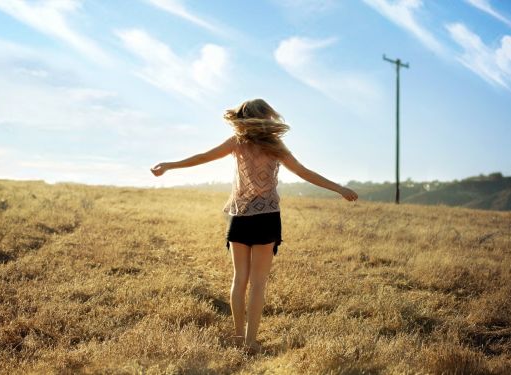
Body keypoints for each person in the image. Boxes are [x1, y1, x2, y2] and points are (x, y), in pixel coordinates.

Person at [150, 98, 358, 355]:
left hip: (240, 216)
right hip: (267, 217)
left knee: (240, 279)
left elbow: (203, 157)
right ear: (266, 117)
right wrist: (339, 188)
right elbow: (304, 172)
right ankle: (249, 341)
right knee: (258, 283)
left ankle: (238, 336)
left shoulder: (237, 143)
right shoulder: (275, 145)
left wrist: (170, 165)